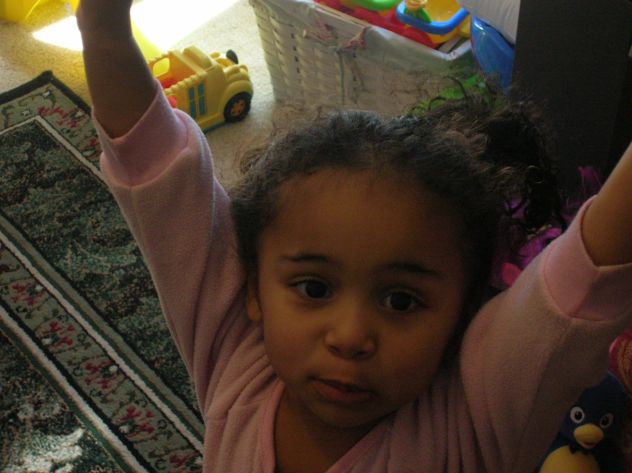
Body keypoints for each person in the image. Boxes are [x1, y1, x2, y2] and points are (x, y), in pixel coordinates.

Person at [77, 1, 632, 472]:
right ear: (252, 290)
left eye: (401, 301)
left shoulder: (477, 418)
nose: (350, 337)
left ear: (465, 314)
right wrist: (102, 23)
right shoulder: (233, 352)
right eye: (314, 288)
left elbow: (580, 286)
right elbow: (155, 169)